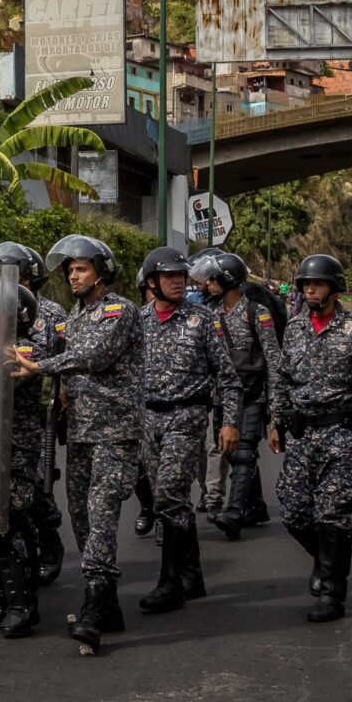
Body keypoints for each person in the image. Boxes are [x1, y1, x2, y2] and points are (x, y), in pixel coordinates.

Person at [12, 235, 142, 656]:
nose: (73, 275)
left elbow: (95, 355)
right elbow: (65, 353)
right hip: (82, 431)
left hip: (115, 432)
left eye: (81, 268)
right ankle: (109, 604)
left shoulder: (118, 310)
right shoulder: (75, 313)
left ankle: (91, 612)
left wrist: (42, 367)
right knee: (82, 519)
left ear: (102, 271)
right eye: (69, 269)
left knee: (102, 515)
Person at [271, 253, 352, 623]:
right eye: (306, 284)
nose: (309, 290)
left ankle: (333, 592)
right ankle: (327, 561)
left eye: (317, 284)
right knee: (293, 513)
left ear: (334, 289)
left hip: (341, 432)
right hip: (302, 434)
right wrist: (275, 421)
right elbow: (281, 380)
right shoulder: (293, 329)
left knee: (333, 514)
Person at [132, 246, 239, 615]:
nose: (178, 282)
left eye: (181, 276)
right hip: (148, 419)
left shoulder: (202, 321)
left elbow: (227, 378)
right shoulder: (138, 321)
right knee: (172, 501)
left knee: (168, 494)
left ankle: (170, 582)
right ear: (151, 283)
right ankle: (192, 575)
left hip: (187, 415)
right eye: (169, 277)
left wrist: (229, 422)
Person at [0, 241, 70, 586]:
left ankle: (48, 540)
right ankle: (22, 553)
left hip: (38, 410)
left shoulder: (51, 314)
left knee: (32, 485)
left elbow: (66, 358)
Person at [194, 252, 286, 540]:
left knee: (244, 451)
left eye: (212, 279)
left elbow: (273, 359)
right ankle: (255, 505)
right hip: (222, 397)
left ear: (227, 280)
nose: (207, 285)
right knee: (231, 453)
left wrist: (276, 406)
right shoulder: (212, 315)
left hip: (252, 394)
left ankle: (234, 512)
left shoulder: (256, 312)